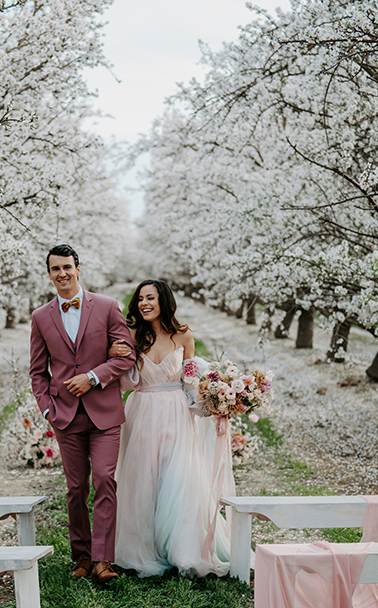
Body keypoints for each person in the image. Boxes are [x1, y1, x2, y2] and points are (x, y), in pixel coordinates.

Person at [109, 279, 234, 578]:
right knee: (142, 478)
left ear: (163, 300)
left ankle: (182, 548)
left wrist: (214, 405)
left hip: (176, 412)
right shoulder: (133, 333)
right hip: (142, 410)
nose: (144, 304)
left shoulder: (183, 335)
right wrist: (114, 354)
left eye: (150, 298)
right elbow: (125, 380)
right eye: (140, 299)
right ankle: (144, 548)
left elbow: (190, 382)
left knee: (178, 478)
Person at [30, 244, 135, 584]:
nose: (62, 273)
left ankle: (104, 559)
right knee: (76, 488)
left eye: (67, 267)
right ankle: (82, 557)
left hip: (104, 413)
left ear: (78, 269)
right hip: (64, 416)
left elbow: (126, 356)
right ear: (49, 274)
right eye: (55, 268)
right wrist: (47, 408)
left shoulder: (106, 307)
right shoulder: (40, 317)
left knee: (105, 480)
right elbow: (37, 371)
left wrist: (92, 377)